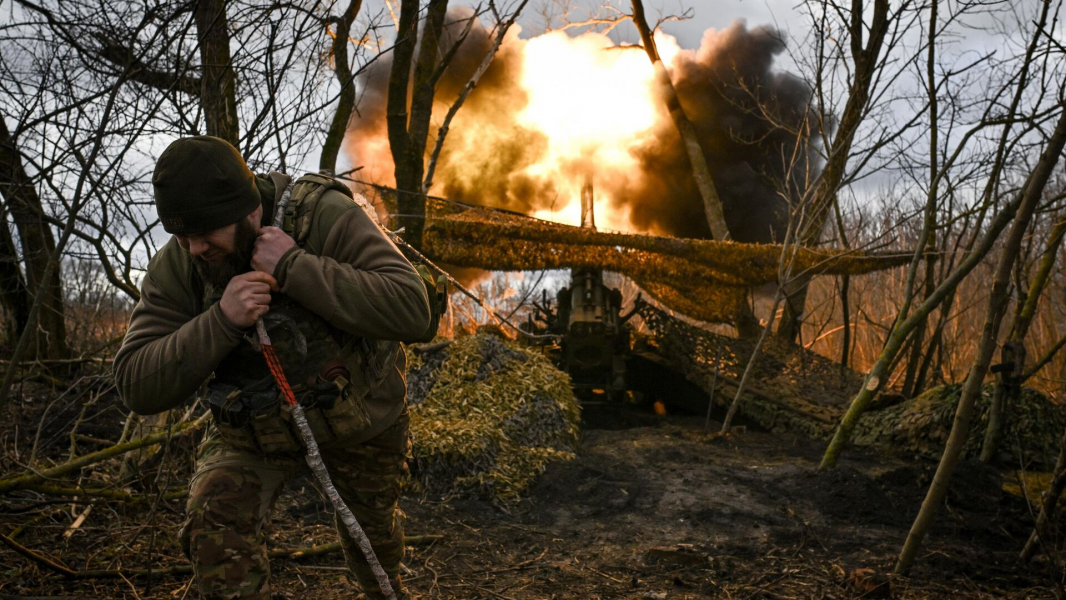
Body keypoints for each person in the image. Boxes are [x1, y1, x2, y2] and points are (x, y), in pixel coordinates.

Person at [114, 135, 431, 600]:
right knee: (214, 524)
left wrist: (294, 266)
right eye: (182, 236)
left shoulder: (323, 215)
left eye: (206, 233)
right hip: (254, 431)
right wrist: (221, 320)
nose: (195, 248)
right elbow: (135, 384)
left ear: (248, 211)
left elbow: (412, 309)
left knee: (374, 544)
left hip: (360, 416)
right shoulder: (183, 262)